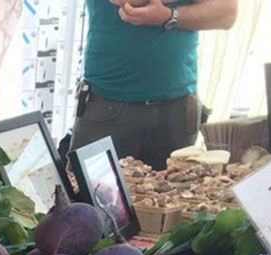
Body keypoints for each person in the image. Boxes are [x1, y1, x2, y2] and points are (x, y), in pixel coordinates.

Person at [70, 0, 238, 171]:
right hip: (108, 105)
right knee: (86, 194)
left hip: (177, 108)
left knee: (178, 193)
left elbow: (226, 14)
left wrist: (168, 16)